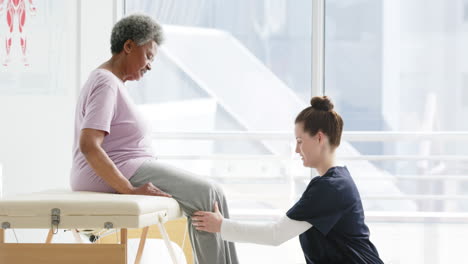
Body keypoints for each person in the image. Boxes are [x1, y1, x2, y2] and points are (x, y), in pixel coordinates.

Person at [70, 14, 238, 264]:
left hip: (127, 166)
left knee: (215, 195)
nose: (150, 65)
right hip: (119, 170)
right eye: (148, 55)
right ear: (128, 46)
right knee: (207, 195)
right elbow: (88, 145)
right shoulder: (106, 83)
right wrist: (128, 189)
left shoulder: (111, 83)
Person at [192, 96, 384, 264]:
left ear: (319, 138)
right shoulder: (338, 181)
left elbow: (275, 234)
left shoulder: (330, 188)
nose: (296, 150)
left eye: (300, 141)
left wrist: (220, 226)